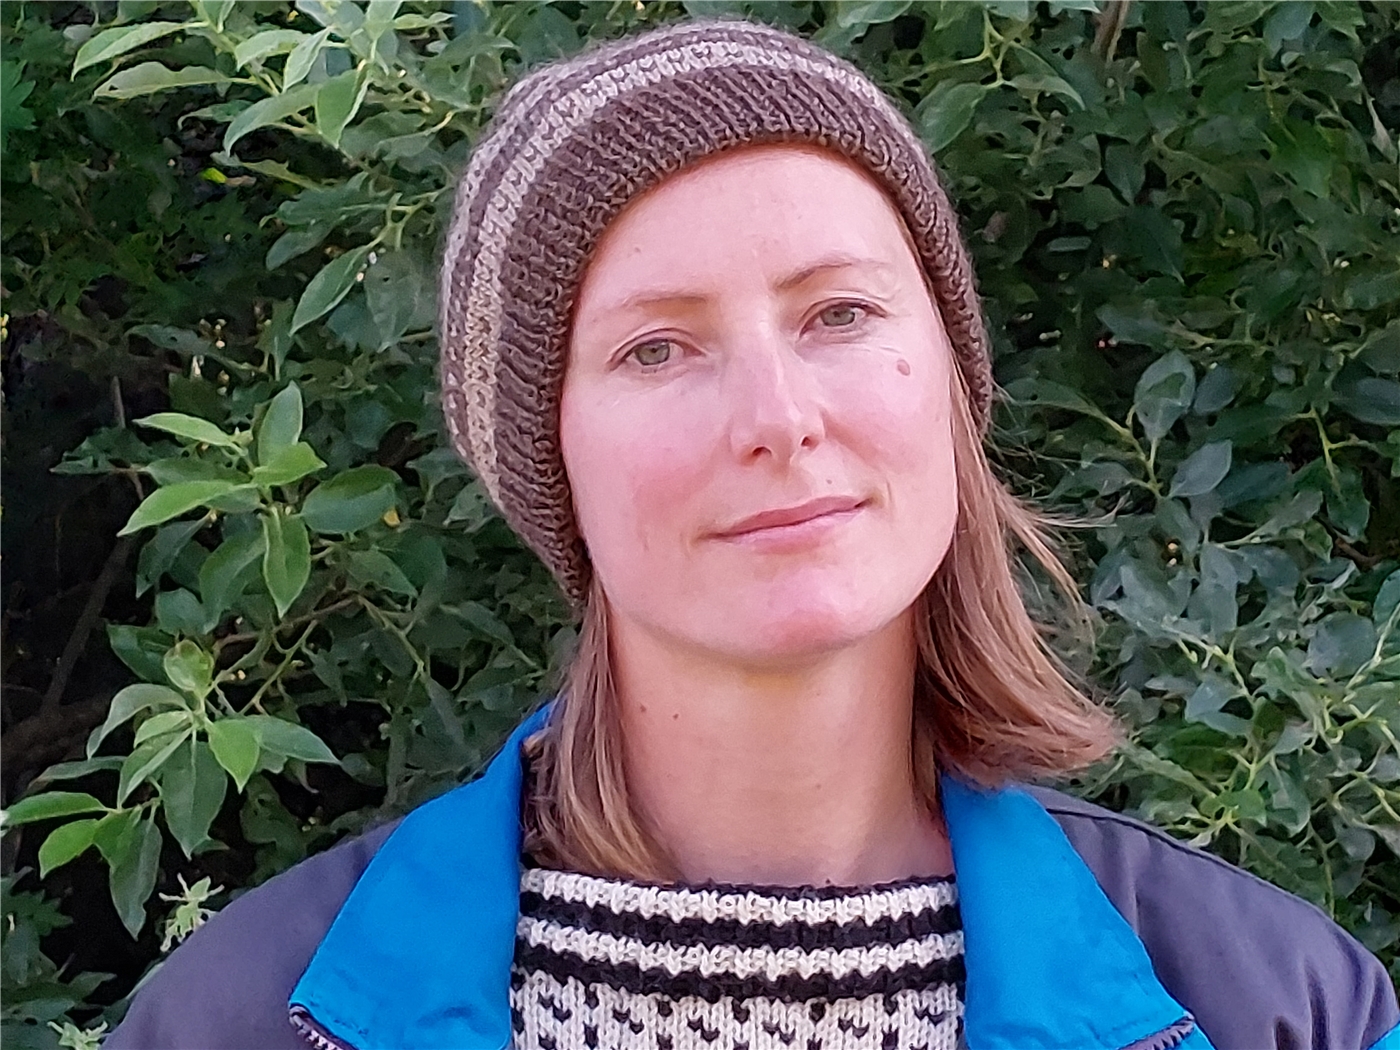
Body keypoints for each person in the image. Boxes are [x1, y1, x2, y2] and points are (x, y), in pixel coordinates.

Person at [106, 16, 1397, 1050]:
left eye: (839, 314)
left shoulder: (1282, 1008)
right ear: (547, 457)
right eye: (656, 348)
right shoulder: (234, 1021)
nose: (779, 419)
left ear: (950, 382)